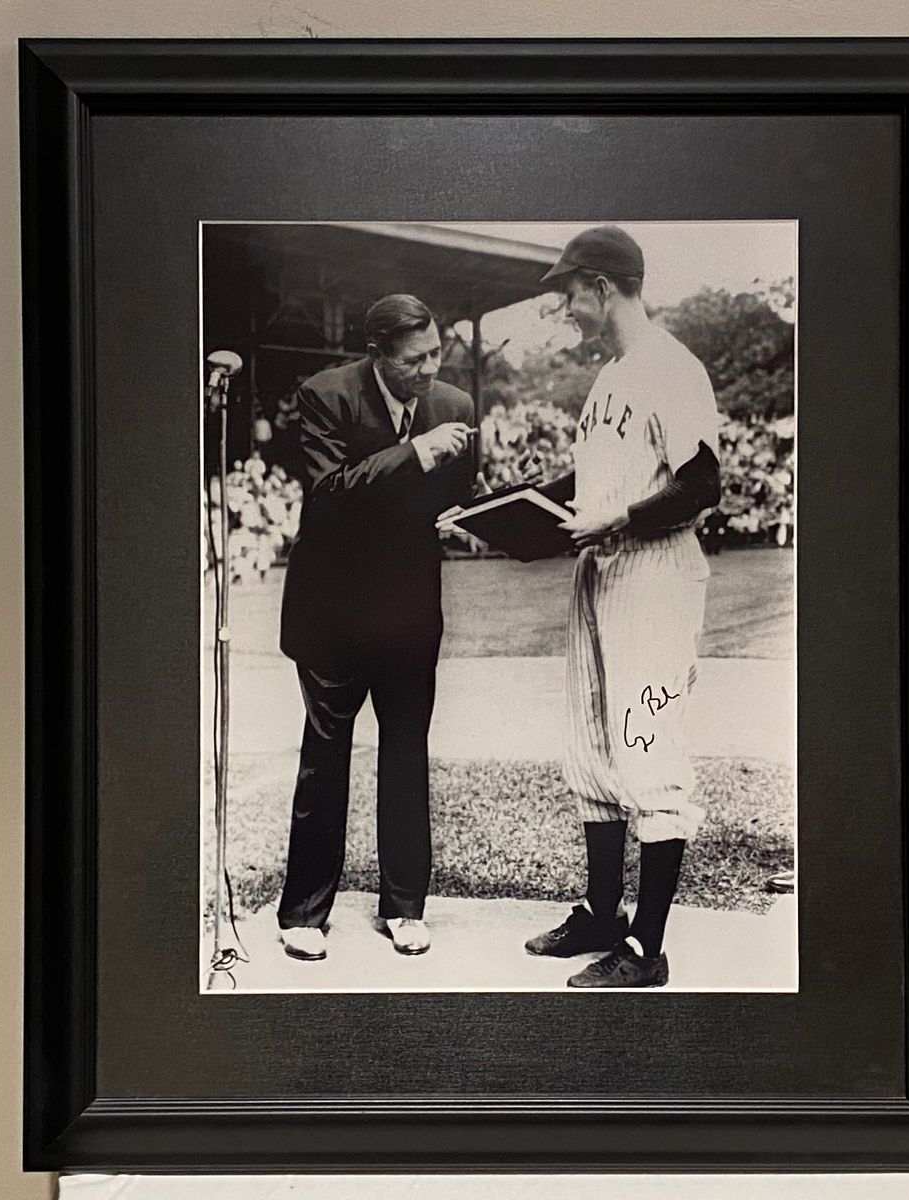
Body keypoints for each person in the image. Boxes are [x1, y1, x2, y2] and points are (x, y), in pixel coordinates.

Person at [525, 226, 722, 988]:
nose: (565, 309)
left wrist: (618, 521)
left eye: (569, 294)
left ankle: (647, 948)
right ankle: (601, 914)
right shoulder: (610, 377)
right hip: (599, 569)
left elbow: (702, 484)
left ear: (602, 287)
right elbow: (599, 484)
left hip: (653, 572)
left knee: (649, 748)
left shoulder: (673, 368)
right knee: (591, 746)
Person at [275, 294, 477, 961]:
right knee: (325, 759)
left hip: (410, 610)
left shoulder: (455, 405)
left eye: (436, 353)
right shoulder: (323, 395)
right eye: (414, 358)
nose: (430, 368)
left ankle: (405, 907)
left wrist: (468, 517)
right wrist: (414, 453)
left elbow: (458, 496)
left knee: (406, 753)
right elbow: (328, 493)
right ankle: (304, 913)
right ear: (378, 353)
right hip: (332, 610)